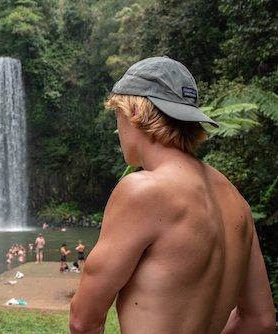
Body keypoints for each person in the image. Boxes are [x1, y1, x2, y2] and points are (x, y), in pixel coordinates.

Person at [69, 57, 275, 333]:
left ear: (133, 114)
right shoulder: (235, 200)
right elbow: (260, 320)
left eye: (117, 118)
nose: (118, 130)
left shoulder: (143, 190)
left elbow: (84, 321)